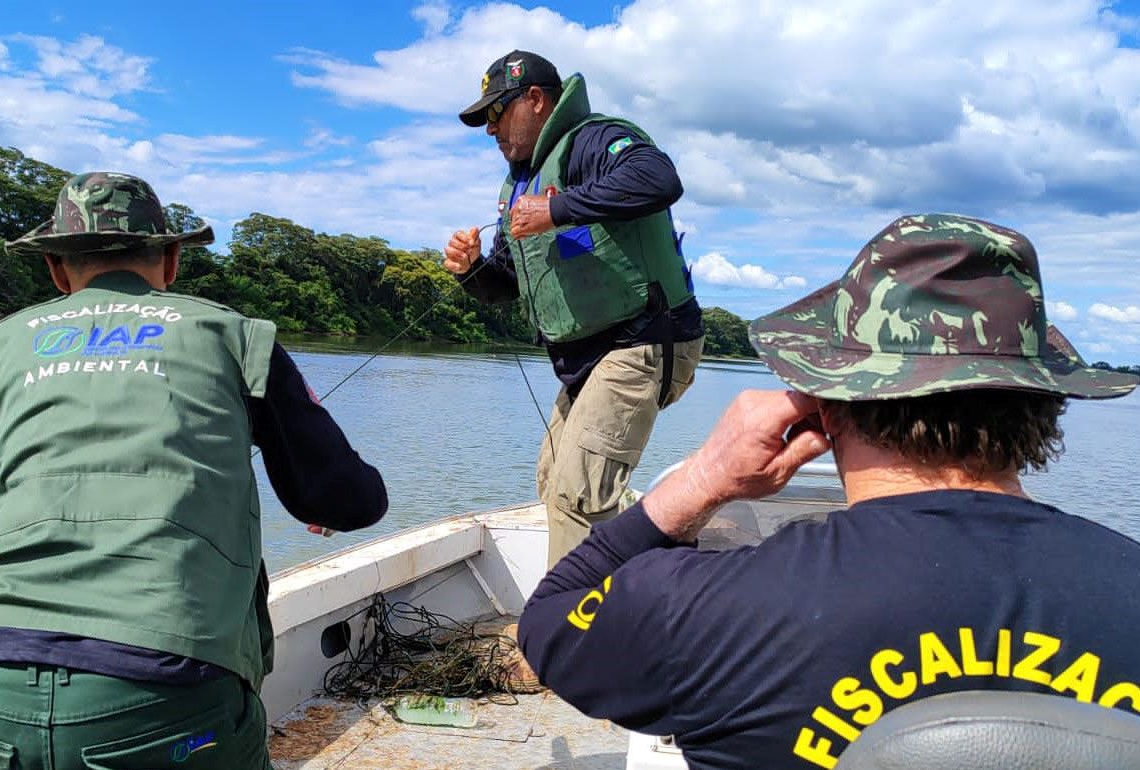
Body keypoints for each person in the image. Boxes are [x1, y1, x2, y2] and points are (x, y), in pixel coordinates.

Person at [517, 213, 1140, 770]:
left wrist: (706, 476)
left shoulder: (716, 610)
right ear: (1044, 405)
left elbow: (550, 621)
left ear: (828, 402)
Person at [0, 172, 388, 769]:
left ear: (55, 268)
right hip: (163, 688)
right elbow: (349, 501)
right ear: (173, 258)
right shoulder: (230, 334)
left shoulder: (7, 343)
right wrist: (313, 498)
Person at [444, 50, 706, 567]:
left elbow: (659, 178)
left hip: (645, 338)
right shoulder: (521, 184)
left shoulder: (593, 139)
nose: (490, 131)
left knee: (576, 494)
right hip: (588, 359)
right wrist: (472, 268)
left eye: (497, 114)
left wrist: (558, 207)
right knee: (553, 479)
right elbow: (507, 286)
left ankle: (566, 637)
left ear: (536, 100)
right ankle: (662, 545)